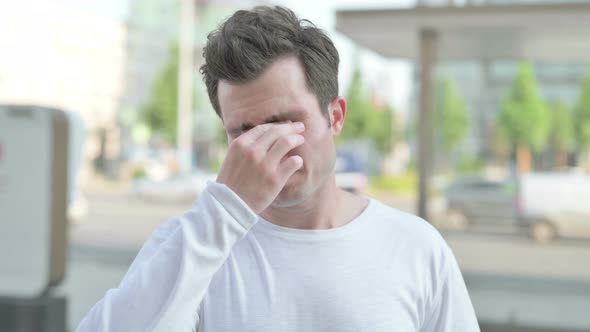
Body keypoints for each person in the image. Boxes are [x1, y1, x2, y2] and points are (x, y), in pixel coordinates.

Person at [77, 6, 479, 332]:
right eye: (245, 132)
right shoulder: (195, 244)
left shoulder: (415, 248)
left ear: (335, 116)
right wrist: (224, 210)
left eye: (287, 122)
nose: (268, 148)